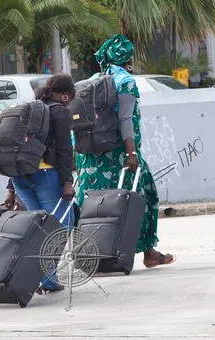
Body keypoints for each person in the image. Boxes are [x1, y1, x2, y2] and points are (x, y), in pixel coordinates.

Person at [74, 34, 175, 269]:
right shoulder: (125, 81)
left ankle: (88, 254)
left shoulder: (90, 81)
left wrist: (75, 154)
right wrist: (131, 152)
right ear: (127, 58)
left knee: (91, 204)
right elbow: (125, 119)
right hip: (119, 154)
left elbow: (77, 122)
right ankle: (148, 252)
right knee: (143, 196)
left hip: (89, 156)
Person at [9, 73, 77, 292]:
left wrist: (10, 188)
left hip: (19, 176)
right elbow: (65, 149)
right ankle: (46, 279)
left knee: (37, 228)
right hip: (45, 175)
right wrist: (68, 181)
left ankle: (35, 277)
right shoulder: (60, 112)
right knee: (60, 225)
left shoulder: (31, 108)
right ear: (65, 96)